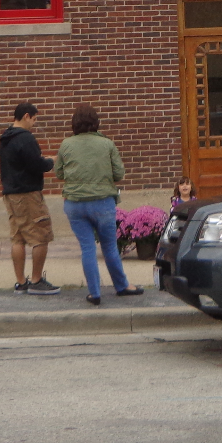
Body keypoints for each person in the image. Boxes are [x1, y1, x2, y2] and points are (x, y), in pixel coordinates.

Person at [54, 103, 143, 306]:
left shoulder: (66, 145)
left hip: (75, 204)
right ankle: (122, 286)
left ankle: (94, 293)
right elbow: (119, 174)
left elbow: (59, 173)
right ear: (96, 122)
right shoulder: (107, 144)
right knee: (110, 246)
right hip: (103, 203)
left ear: (74, 123)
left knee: (87, 248)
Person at [0, 101, 60, 295]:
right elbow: (37, 165)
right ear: (26, 116)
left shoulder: (5, 137)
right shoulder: (25, 138)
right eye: (34, 119)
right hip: (28, 194)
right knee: (40, 235)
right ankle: (36, 281)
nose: (34, 123)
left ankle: (20, 282)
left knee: (18, 238)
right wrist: (51, 161)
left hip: (11, 193)